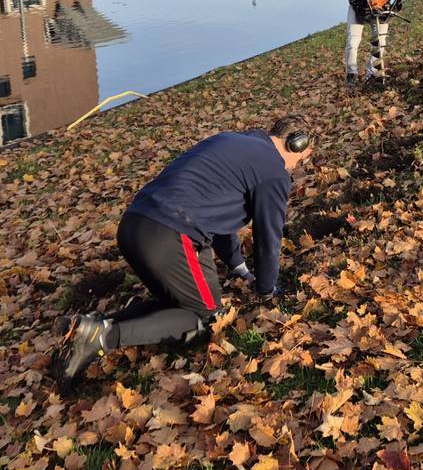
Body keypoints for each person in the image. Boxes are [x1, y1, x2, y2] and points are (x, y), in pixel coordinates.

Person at [52, 115, 313, 393]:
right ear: (296, 144)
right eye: (302, 159)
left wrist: (238, 266)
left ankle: (88, 328)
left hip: (134, 225)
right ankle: (104, 337)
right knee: (205, 317)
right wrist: (267, 289)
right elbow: (268, 236)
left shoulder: (234, 143)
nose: (297, 167)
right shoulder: (273, 170)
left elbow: (216, 215)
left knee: (176, 304)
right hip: (173, 233)